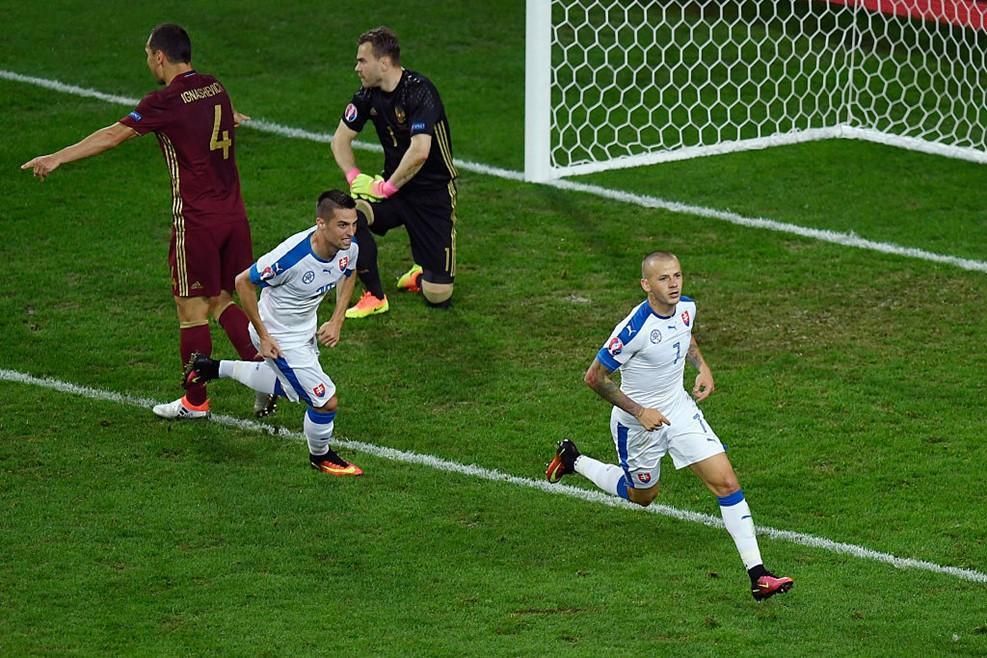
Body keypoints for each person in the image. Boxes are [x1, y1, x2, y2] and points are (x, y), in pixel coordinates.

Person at [20, 23, 275, 420]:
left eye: (147, 55)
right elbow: (227, 117)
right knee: (223, 298)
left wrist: (57, 157)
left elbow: (113, 135)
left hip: (197, 222)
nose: (147, 62)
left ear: (159, 56)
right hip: (234, 216)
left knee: (191, 310)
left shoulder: (165, 101)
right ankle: (265, 376)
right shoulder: (214, 86)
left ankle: (195, 402)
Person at [546, 252, 793, 601]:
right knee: (643, 497)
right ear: (646, 285)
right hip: (638, 427)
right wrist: (639, 411)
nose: (673, 284)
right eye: (664, 278)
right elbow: (594, 377)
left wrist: (702, 367)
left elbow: (686, 336)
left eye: (677, 275)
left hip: (679, 410)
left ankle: (758, 575)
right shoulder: (633, 330)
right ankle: (573, 460)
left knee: (726, 482)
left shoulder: (687, 307)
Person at [184, 190, 363, 475]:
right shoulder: (291, 257)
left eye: (354, 224)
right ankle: (320, 456)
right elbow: (242, 282)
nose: (350, 232)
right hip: (278, 336)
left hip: (304, 329)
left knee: (292, 386)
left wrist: (337, 319)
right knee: (325, 401)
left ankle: (211, 368)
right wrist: (264, 337)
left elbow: (349, 272)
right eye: (342, 225)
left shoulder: (348, 246)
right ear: (321, 223)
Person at [331, 26, 459, 318]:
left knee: (438, 296)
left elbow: (420, 151)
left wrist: (386, 187)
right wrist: (354, 177)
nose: (356, 68)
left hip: (432, 194)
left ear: (384, 62)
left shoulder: (420, 92)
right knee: (352, 216)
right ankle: (375, 296)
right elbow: (339, 140)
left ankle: (423, 272)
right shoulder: (367, 95)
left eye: (362, 61)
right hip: (394, 189)